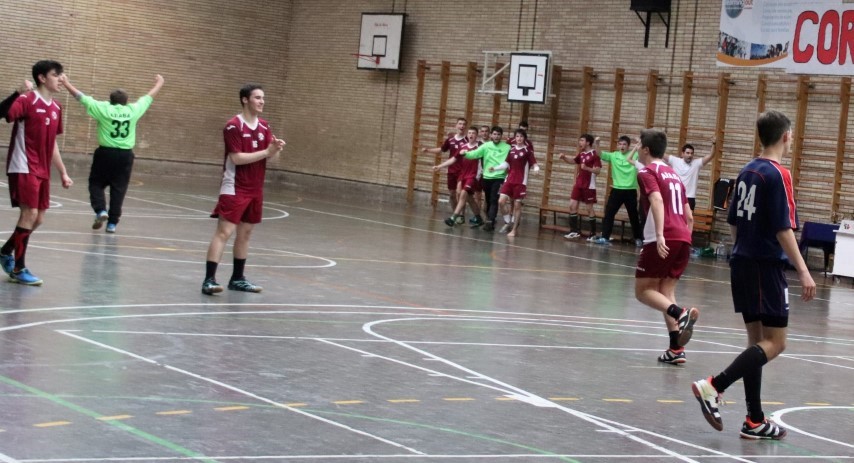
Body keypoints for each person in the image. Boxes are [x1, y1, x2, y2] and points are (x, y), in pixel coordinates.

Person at [691, 110, 816, 440]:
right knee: (776, 342)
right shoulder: (778, 174)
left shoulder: (747, 170)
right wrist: (804, 271)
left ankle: (754, 420)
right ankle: (714, 385)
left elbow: (732, 220)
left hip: (742, 261)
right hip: (764, 265)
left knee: (756, 342)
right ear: (786, 136)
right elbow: (783, 229)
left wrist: (741, 250)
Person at [201, 84, 286, 295]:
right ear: (245, 100)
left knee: (245, 233)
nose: (262, 101)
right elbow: (237, 158)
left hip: (255, 188)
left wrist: (275, 150)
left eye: (263, 98)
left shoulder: (264, 126)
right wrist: (266, 152)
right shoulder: (233, 126)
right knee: (224, 232)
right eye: (257, 97)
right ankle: (209, 280)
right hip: (235, 187)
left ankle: (237, 279)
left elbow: (271, 157)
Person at [0, 60, 74, 286]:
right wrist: (16, 92)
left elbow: (52, 144)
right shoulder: (27, 99)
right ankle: (19, 268)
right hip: (23, 165)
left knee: (38, 218)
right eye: (56, 75)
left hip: (43, 169)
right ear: (42, 78)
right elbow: (2, 113)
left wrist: (63, 172)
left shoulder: (57, 107)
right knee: (30, 213)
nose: (61, 79)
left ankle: (5, 251)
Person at [60, 74, 165, 233]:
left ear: (110, 100)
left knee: (96, 183)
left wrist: (67, 83)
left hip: (105, 153)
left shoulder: (104, 108)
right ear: (126, 102)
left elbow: (81, 97)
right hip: (125, 155)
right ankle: (112, 224)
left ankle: (101, 210)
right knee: (119, 188)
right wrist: (160, 83)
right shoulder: (133, 110)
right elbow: (148, 97)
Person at [634, 129, 699, 365]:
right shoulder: (675, 175)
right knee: (665, 292)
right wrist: (685, 239)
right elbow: (689, 216)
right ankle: (675, 350)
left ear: (646, 149)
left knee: (643, 291)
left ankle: (680, 314)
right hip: (683, 237)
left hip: (662, 237)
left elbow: (656, 199)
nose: (637, 149)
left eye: (639, 145)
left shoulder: (647, 172)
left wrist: (660, 235)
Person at [592, 136, 644, 247]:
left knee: (633, 216)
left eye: (624, 144)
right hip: (616, 190)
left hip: (630, 190)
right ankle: (605, 237)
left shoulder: (634, 155)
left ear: (628, 146)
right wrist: (597, 143)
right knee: (609, 214)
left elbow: (643, 152)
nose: (622, 146)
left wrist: (639, 142)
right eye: (620, 144)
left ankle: (638, 238)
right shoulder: (613, 155)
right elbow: (599, 153)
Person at [432, 127, 484, 227]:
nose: (471, 135)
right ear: (467, 135)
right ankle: (478, 218)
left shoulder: (480, 146)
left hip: (473, 176)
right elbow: (453, 159)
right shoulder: (463, 147)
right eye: (469, 133)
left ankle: (454, 217)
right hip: (464, 175)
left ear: (477, 135)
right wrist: (439, 166)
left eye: (473, 133)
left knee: (463, 194)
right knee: (469, 198)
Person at [463, 126, 510, 232]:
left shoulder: (507, 147)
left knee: (494, 199)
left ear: (501, 136)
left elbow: (512, 159)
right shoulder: (486, 146)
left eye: (498, 134)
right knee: (488, 200)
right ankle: (489, 220)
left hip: (499, 178)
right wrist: (465, 153)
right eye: (494, 134)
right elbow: (474, 154)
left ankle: (490, 220)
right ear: (491, 135)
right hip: (486, 177)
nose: (496, 136)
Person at [495, 129, 539, 236]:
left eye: (521, 136)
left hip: (520, 182)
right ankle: (508, 221)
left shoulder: (527, 151)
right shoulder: (512, 150)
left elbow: (534, 163)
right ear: (515, 138)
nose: (519, 138)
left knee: (517, 205)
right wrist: (495, 168)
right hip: (509, 180)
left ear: (524, 138)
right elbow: (506, 164)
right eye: (517, 136)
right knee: (501, 201)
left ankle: (514, 230)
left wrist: (536, 169)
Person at [422, 117, 467, 221]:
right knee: (452, 194)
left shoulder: (467, 140)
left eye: (464, 124)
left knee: (460, 193)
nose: (462, 126)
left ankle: (461, 215)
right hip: (451, 170)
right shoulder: (450, 140)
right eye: (460, 124)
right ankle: (455, 215)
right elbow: (442, 149)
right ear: (456, 126)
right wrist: (428, 150)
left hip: (463, 171)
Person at [558, 134, 601, 239]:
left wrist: (587, 168)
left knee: (589, 209)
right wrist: (564, 158)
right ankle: (574, 231)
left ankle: (593, 233)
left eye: (582, 140)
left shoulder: (595, 154)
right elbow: (573, 161)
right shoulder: (581, 154)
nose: (580, 142)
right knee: (572, 206)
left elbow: (598, 171)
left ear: (588, 142)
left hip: (589, 185)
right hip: (579, 184)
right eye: (579, 140)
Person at [664, 142, 716, 211]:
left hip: (690, 197)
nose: (690, 155)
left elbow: (711, 156)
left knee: (688, 218)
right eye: (687, 153)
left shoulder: (696, 164)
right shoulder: (675, 161)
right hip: (676, 196)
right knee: (674, 217)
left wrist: (713, 144)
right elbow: (661, 154)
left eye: (691, 153)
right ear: (682, 153)